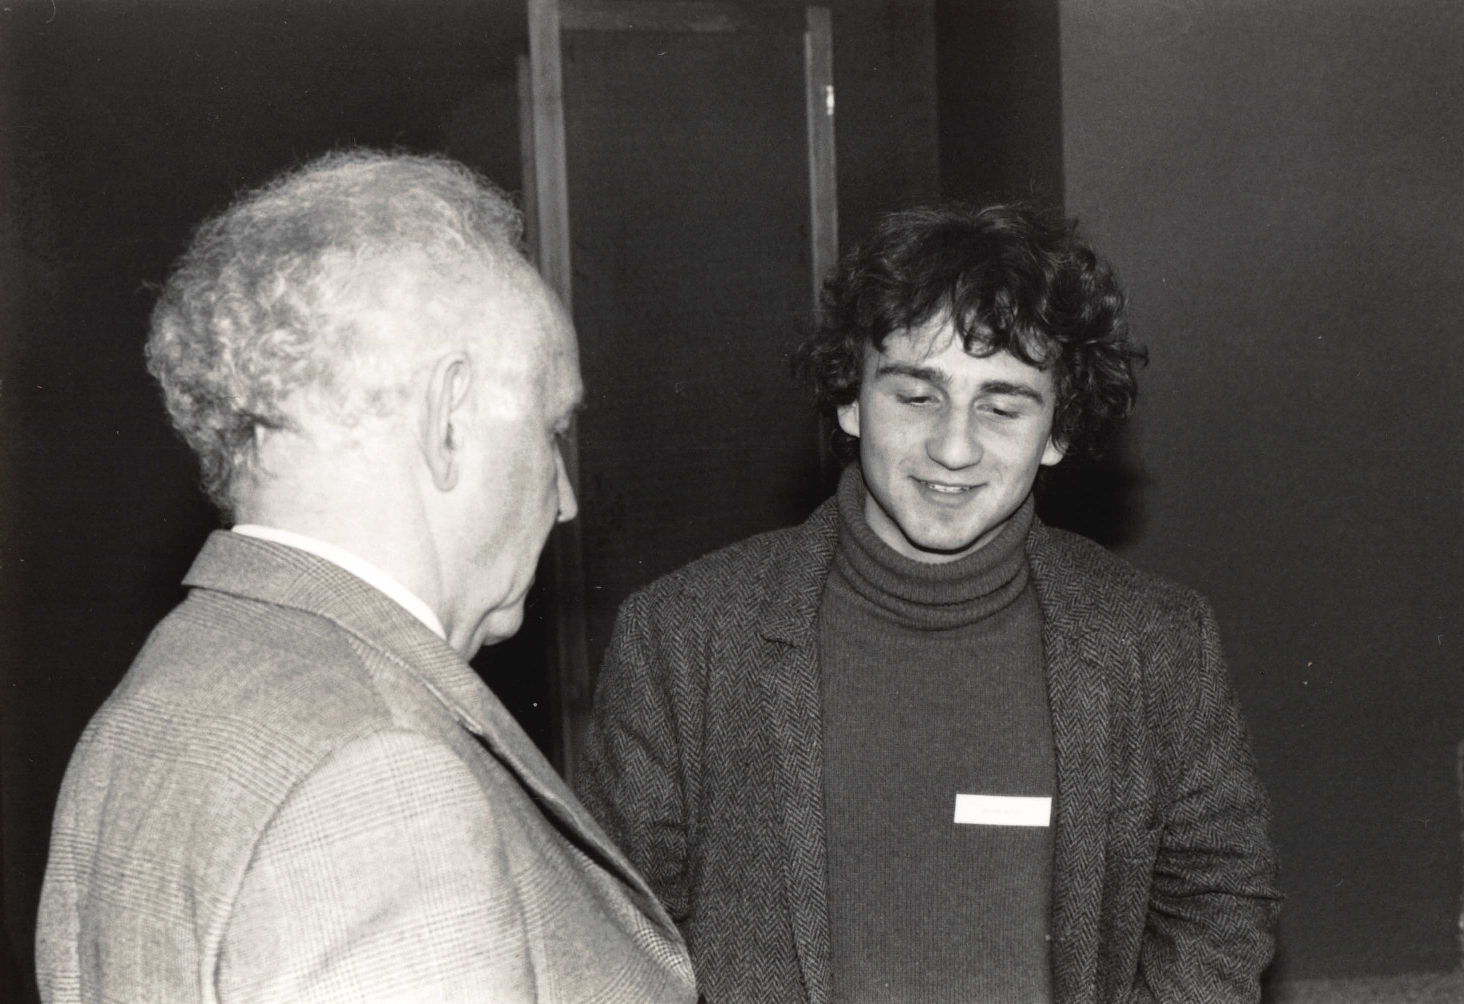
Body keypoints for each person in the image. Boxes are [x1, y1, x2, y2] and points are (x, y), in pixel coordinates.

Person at [575, 204, 1282, 1003]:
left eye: (1002, 407)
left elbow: (1220, 900)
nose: (953, 447)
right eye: (917, 398)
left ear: (1057, 430)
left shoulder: (1156, 640)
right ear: (850, 400)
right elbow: (615, 936)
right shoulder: (684, 636)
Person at [36, 150, 697, 1003]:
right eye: (552, 431)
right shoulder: (380, 781)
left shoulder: (150, 705)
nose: (565, 500)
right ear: (448, 420)